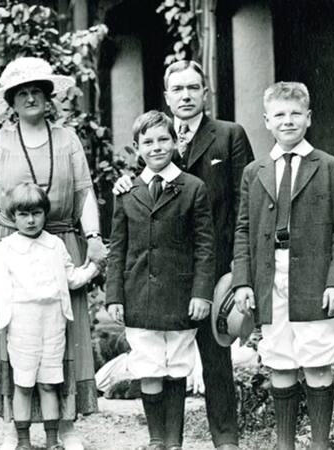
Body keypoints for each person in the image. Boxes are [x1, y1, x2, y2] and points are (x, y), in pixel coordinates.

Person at [0, 56, 108, 450]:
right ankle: (15, 428)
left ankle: (66, 426)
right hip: (9, 249)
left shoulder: (68, 138)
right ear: (11, 100)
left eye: (36, 90)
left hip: (59, 244)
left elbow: (84, 192)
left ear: (47, 95)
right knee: (14, 339)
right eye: (21, 92)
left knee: (64, 339)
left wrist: (92, 236)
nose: (30, 97)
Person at [112, 60, 253, 449]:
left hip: (216, 268)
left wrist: (241, 268)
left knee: (216, 360)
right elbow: (144, 187)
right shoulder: (156, 137)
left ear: (205, 92)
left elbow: (245, 205)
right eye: (178, 89)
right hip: (165, 271)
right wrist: (125, 181)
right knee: (165, 360)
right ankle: (168, 441)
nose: (186, 95)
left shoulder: (229, 135)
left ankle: (225, 440)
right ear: (167, 95)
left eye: (193, 87)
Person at [232, 82, 334, 450]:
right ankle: (284, 444)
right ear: (267, 121)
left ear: (308, 118)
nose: (288, 121)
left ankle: (319, 444)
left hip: (314, 278)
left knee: (317, 359)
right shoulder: (255, 171)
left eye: (296, 114)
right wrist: (243, 282)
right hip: (270, 276)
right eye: (280, 115)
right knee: (280, 359)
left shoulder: (329, 167)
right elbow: (243, 229)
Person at [0, 182, 100, 450]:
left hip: (53, 322)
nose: (31, 220)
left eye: (36, 213)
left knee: (49, 383)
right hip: (22, 323)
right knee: (22, 384)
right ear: (13, 217)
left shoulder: (55, 245)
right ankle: (22, 441)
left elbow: (71, 279)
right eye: (23, 214)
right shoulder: (5, 249)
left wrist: (94, 267)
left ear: (45, 214)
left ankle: (51, 440)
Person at [106, 111, 215, 450]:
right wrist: (115, 297)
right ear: (137, 148)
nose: (156, 147)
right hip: (139, 293)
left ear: (176, 142)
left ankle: (174, 441)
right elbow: (117, 248)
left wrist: (201, 293)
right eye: (148, 142)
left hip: (180, 294)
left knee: (176, 366)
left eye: (163, 139)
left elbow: (205, 247)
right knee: (149, 366)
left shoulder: (193, 188)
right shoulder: (127, 191)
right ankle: (156, 440)